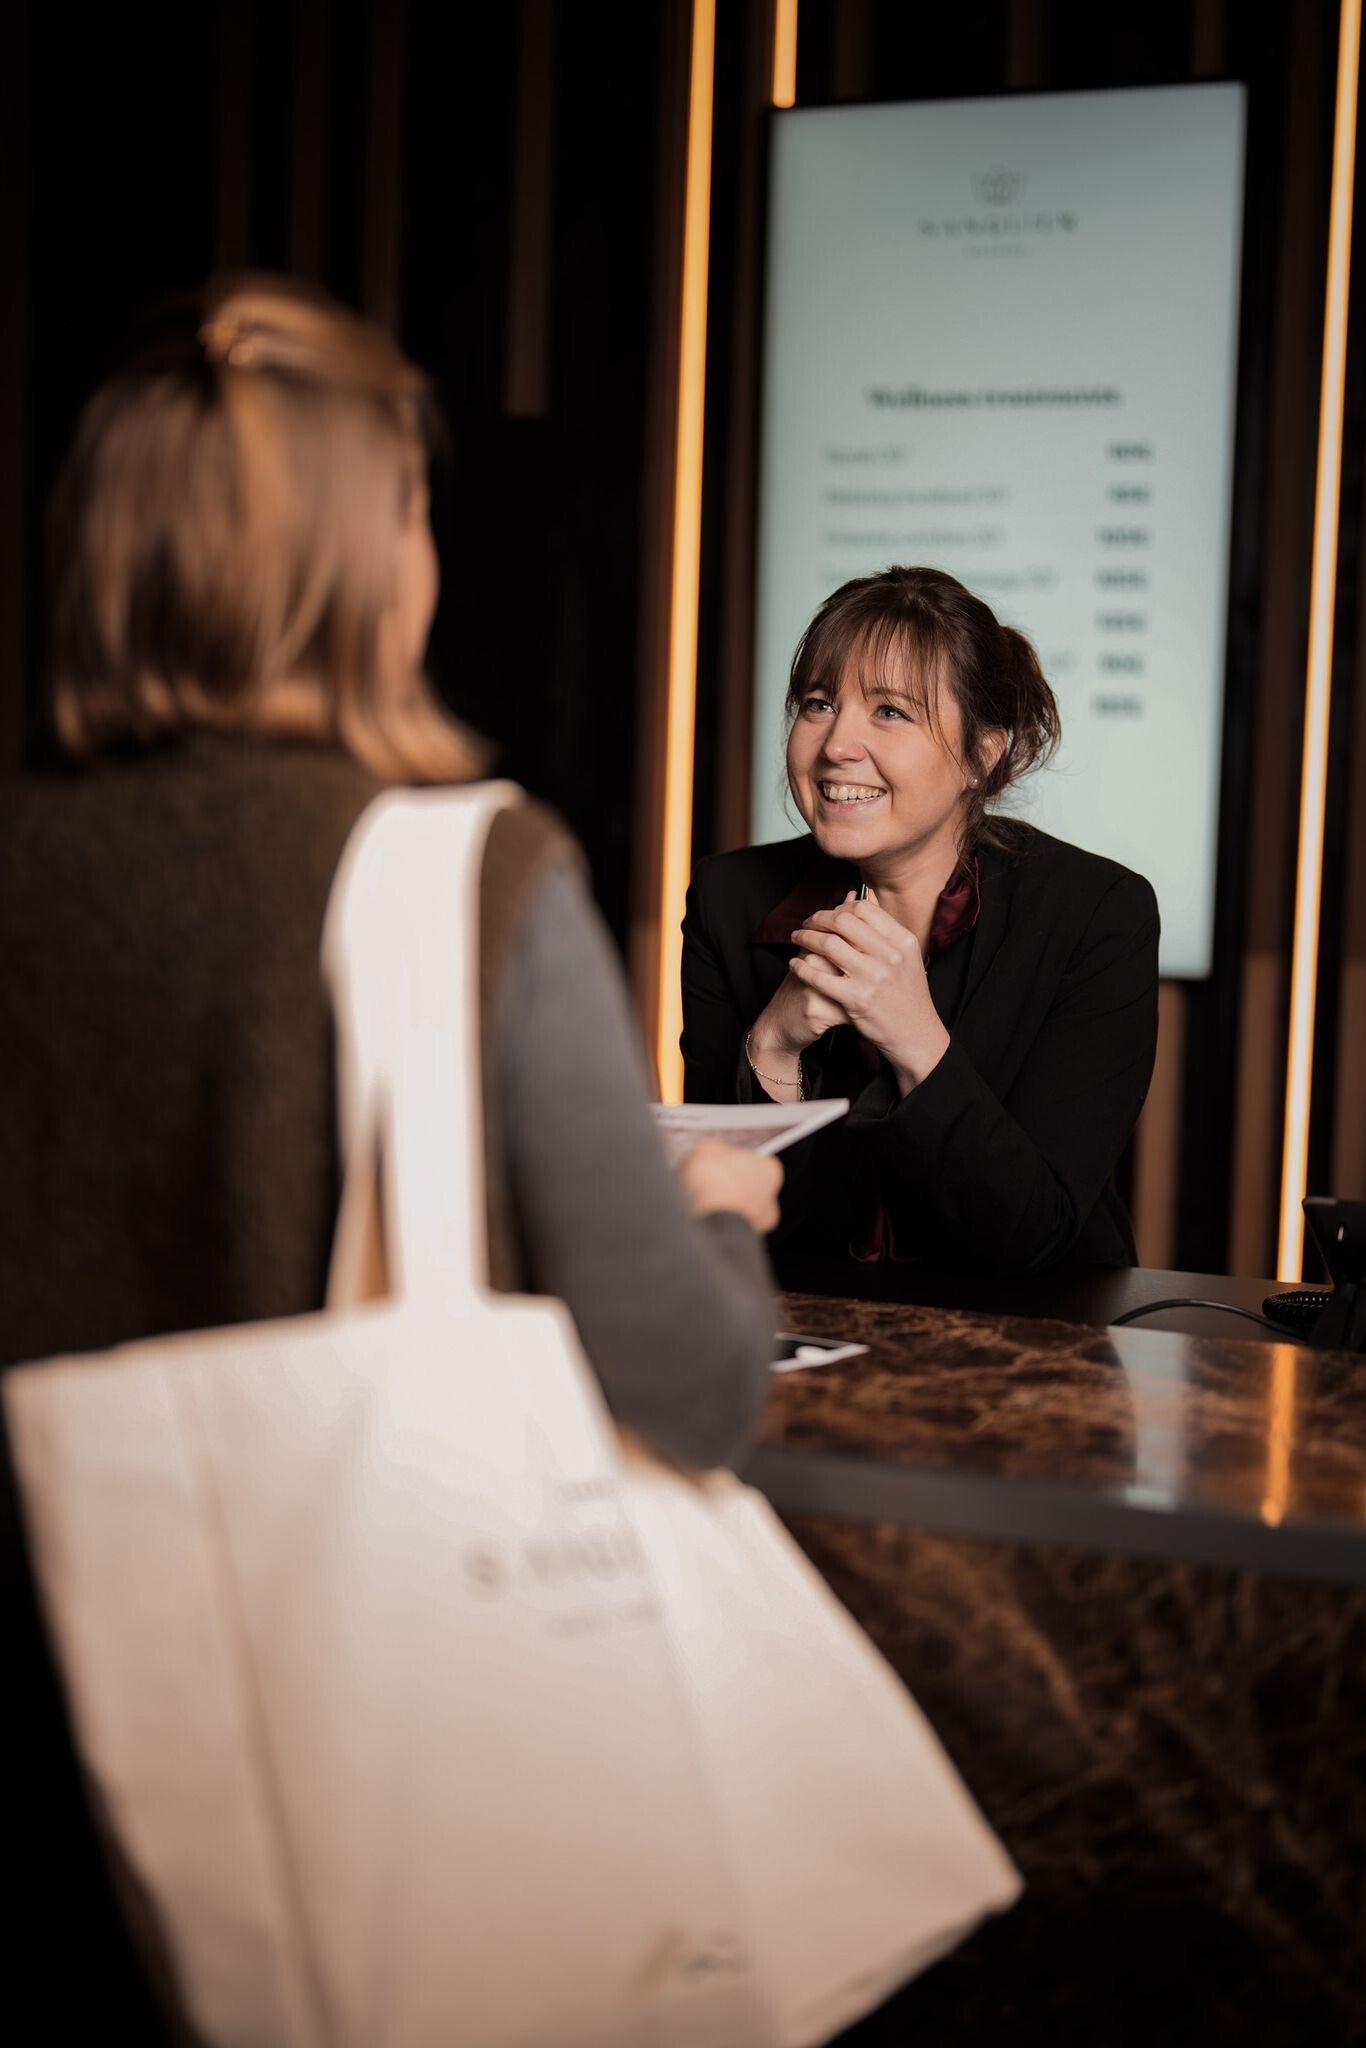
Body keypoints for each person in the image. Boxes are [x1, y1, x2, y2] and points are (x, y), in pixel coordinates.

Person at [0, 274, 780, 2039]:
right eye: (416, 509)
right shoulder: (473, 875)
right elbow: (693, 1388)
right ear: (369, 565)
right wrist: (718, 1212)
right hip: (333, 1801)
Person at [682, 565, 1159, 1293]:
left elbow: (1035, 1234)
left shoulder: (1097, 914)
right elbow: (719, 1229)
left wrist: (913, 1036)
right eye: (818, 704)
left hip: (1038, 1337)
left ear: (982, 754)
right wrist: (773, 1045)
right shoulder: (730, 899)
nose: (837, 744)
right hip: (804, 1328)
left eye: (890, 712)